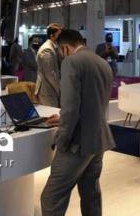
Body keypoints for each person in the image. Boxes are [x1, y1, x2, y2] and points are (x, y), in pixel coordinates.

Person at [41, 29, 115, 216]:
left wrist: (61, 141)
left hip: (77, 143)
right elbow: (94, 102)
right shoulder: (102, 62)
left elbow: (71, 108)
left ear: (65, 48)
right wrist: (63, 117)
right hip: (98, 139)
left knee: (51, 198)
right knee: (91, 194)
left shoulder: (71, 62)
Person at [36, 23, 64, 107]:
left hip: (50, 90)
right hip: (47, 91)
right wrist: (60, 90)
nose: (61, 37)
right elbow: (50, 74)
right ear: (52, 35)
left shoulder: (53, 47)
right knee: (50, 114)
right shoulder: (47, 49)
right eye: (59, 34)